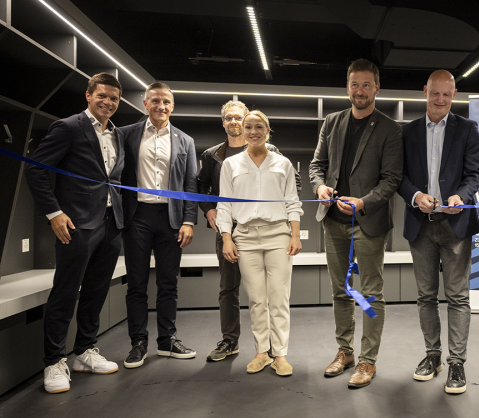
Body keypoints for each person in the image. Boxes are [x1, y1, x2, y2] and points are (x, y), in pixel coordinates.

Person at [25, 73, 125, 393]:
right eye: (102, 96)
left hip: (110, 223)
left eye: (113, 98)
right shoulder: (67, 127)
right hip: (76, 225)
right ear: (88, 95)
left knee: (96, 291)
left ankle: (84, 351)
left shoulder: (118, 135)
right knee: (66, 292)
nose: (108, 102)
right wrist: (54, 213)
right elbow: (36, 169)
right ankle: (54, 361)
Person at [309, 58, 403, 388]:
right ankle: (344, 351)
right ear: (346, 87)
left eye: (366, 84)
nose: (359, 90)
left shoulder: (390, 128)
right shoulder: (332, 122)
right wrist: (320, 186)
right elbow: (316, 165)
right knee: (341, 291)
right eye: (354, 84)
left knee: (371, 294)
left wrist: (364, 202)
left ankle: (368, 360)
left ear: (377, 88)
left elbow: (391, 179)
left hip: (368, 222)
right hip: (333, 221)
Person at [397, 70, 479, 394]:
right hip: (420, 226)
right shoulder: (408, 132)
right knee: (425, 297)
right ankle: (432, 357)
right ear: (425, 92)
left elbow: (474, 173)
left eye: (447, 94)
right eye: (435, 93)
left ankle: (456, 362)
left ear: (454, 95)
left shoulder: (468, 129)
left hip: (455, 225)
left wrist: (463, 195)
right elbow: (398, 176)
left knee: (458, 297)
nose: (441, 100)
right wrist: (416, 196)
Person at [197, 101, 302, 362]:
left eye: (257, 126)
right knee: (245, 294)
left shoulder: (281, 160)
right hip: (240, 234)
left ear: (267, 130)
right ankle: (247, 347)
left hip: (275, 233)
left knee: (277, 297)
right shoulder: (222, 161)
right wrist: (222, 232)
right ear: (236, 128)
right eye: (246, 126)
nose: (251, 130)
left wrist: (295, 233)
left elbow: (292, 196)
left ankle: (279, 354)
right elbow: (216, 199)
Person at [119, 82, 199, 368]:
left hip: (171, 219)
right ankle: (138, 343)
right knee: (136, 285)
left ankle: (167, 340)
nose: (160, 106)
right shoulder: (125, 135)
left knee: (168, 283)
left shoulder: (184, 141)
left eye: (165, 101)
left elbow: (191, 184)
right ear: (145, 104)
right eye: (154, 101)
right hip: (137, 217)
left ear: (172, 106)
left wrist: (189, 220)